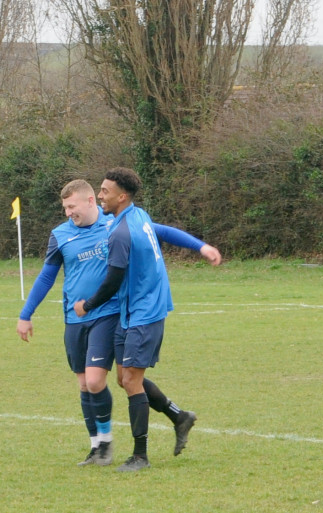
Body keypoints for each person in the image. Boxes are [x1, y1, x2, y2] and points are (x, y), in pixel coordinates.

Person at [17, 179, 220, 467]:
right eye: (64, 208)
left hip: (110, 314)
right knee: (99, 383)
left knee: (101, 379)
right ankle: (102, 444)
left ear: (88, 202)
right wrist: (26, 313)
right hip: (74, 318)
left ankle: (125, 450)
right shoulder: (60, 235)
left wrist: (200, 246)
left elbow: (158, 232)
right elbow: (47, 276)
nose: (67, 213)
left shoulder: (114, 225)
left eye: (71, 206)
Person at [74, 167, 210, 472]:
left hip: (144, 312)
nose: (100, 195)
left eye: (105, 191)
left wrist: (89, 305)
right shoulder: (137, 215)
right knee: (124, 379)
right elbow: (164, 232)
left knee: (132, 381)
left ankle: (140, 456)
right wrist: (201, 246)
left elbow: (113, 279)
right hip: (130, 310)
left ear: (122, 196)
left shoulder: (122, 232)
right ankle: (179, 416)